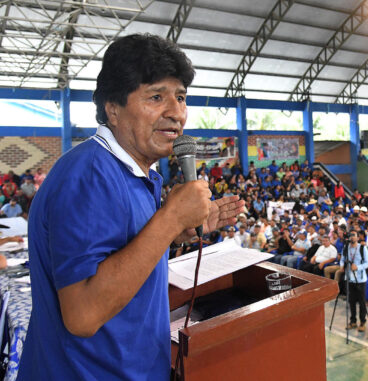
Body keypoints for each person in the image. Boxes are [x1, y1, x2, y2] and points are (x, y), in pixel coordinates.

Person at [18, 34, 246, 380]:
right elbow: (82, 315)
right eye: (156, 97)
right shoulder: (91, 176)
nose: (176, 113)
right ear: (113, 108)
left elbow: (117, 254)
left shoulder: (134, 173)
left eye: (180, 97)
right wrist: (169, 220)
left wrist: (176, 233)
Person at [340, 231, 368, 332]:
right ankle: (353, 321)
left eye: (354, 235)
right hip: (349, 278)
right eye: (351, 235)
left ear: (358, 238)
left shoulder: (362, 248)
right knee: (351, 301)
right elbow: (342, 259)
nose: (352, 237)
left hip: (360, 279)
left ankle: (362, 322)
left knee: (362, 302)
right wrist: (341, 266)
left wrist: (358, 267)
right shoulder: (346, 248)